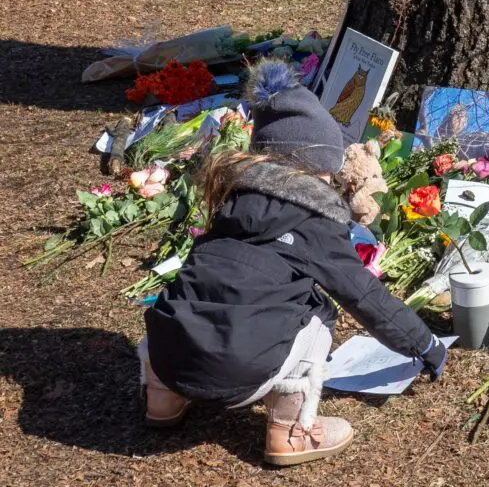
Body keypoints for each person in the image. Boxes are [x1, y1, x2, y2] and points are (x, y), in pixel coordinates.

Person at [138, 59, 447, 466]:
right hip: (242, 370)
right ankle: (290, 432)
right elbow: (362, 293)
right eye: (327, 172)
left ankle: (162, 399)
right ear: (314, 168)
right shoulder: (313, 220)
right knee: (319, 310)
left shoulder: (232, 202)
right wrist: (424, 343)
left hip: (169, 354)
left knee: (192, 289)